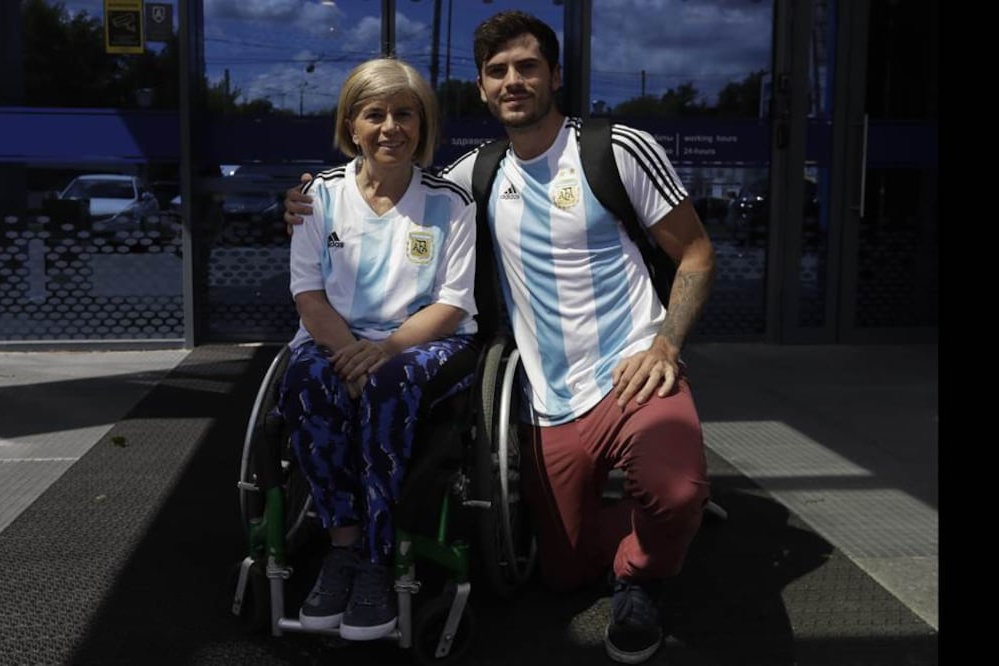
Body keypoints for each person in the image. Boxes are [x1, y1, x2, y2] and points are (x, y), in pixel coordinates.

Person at [283, 11, 715, 663]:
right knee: (561, 571)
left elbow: (696, 254)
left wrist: (665, 345)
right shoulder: (472, 176)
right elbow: (394, 183)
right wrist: (300, 202)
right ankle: (659, 516)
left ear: (554, 76)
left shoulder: (615, 148)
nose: (512, 81)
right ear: (482, 88)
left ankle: (644, 571)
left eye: (526, 67)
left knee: (674, 490)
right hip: (546, 397)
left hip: (633, 371)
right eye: (497, 72)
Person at [277, 56, 478, 642]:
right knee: (307, 379)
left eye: (405, 114)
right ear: (351, 127)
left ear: (423, 124)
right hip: (338, 339)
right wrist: (351, 353)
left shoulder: (451, 201)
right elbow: (308, 296)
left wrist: (384, 351)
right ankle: (342, 545)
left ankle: (379, 555)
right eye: (375, 115)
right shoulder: (318, 196)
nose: (391, 127)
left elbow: (453, 303)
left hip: (422, 340)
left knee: (391, 385)